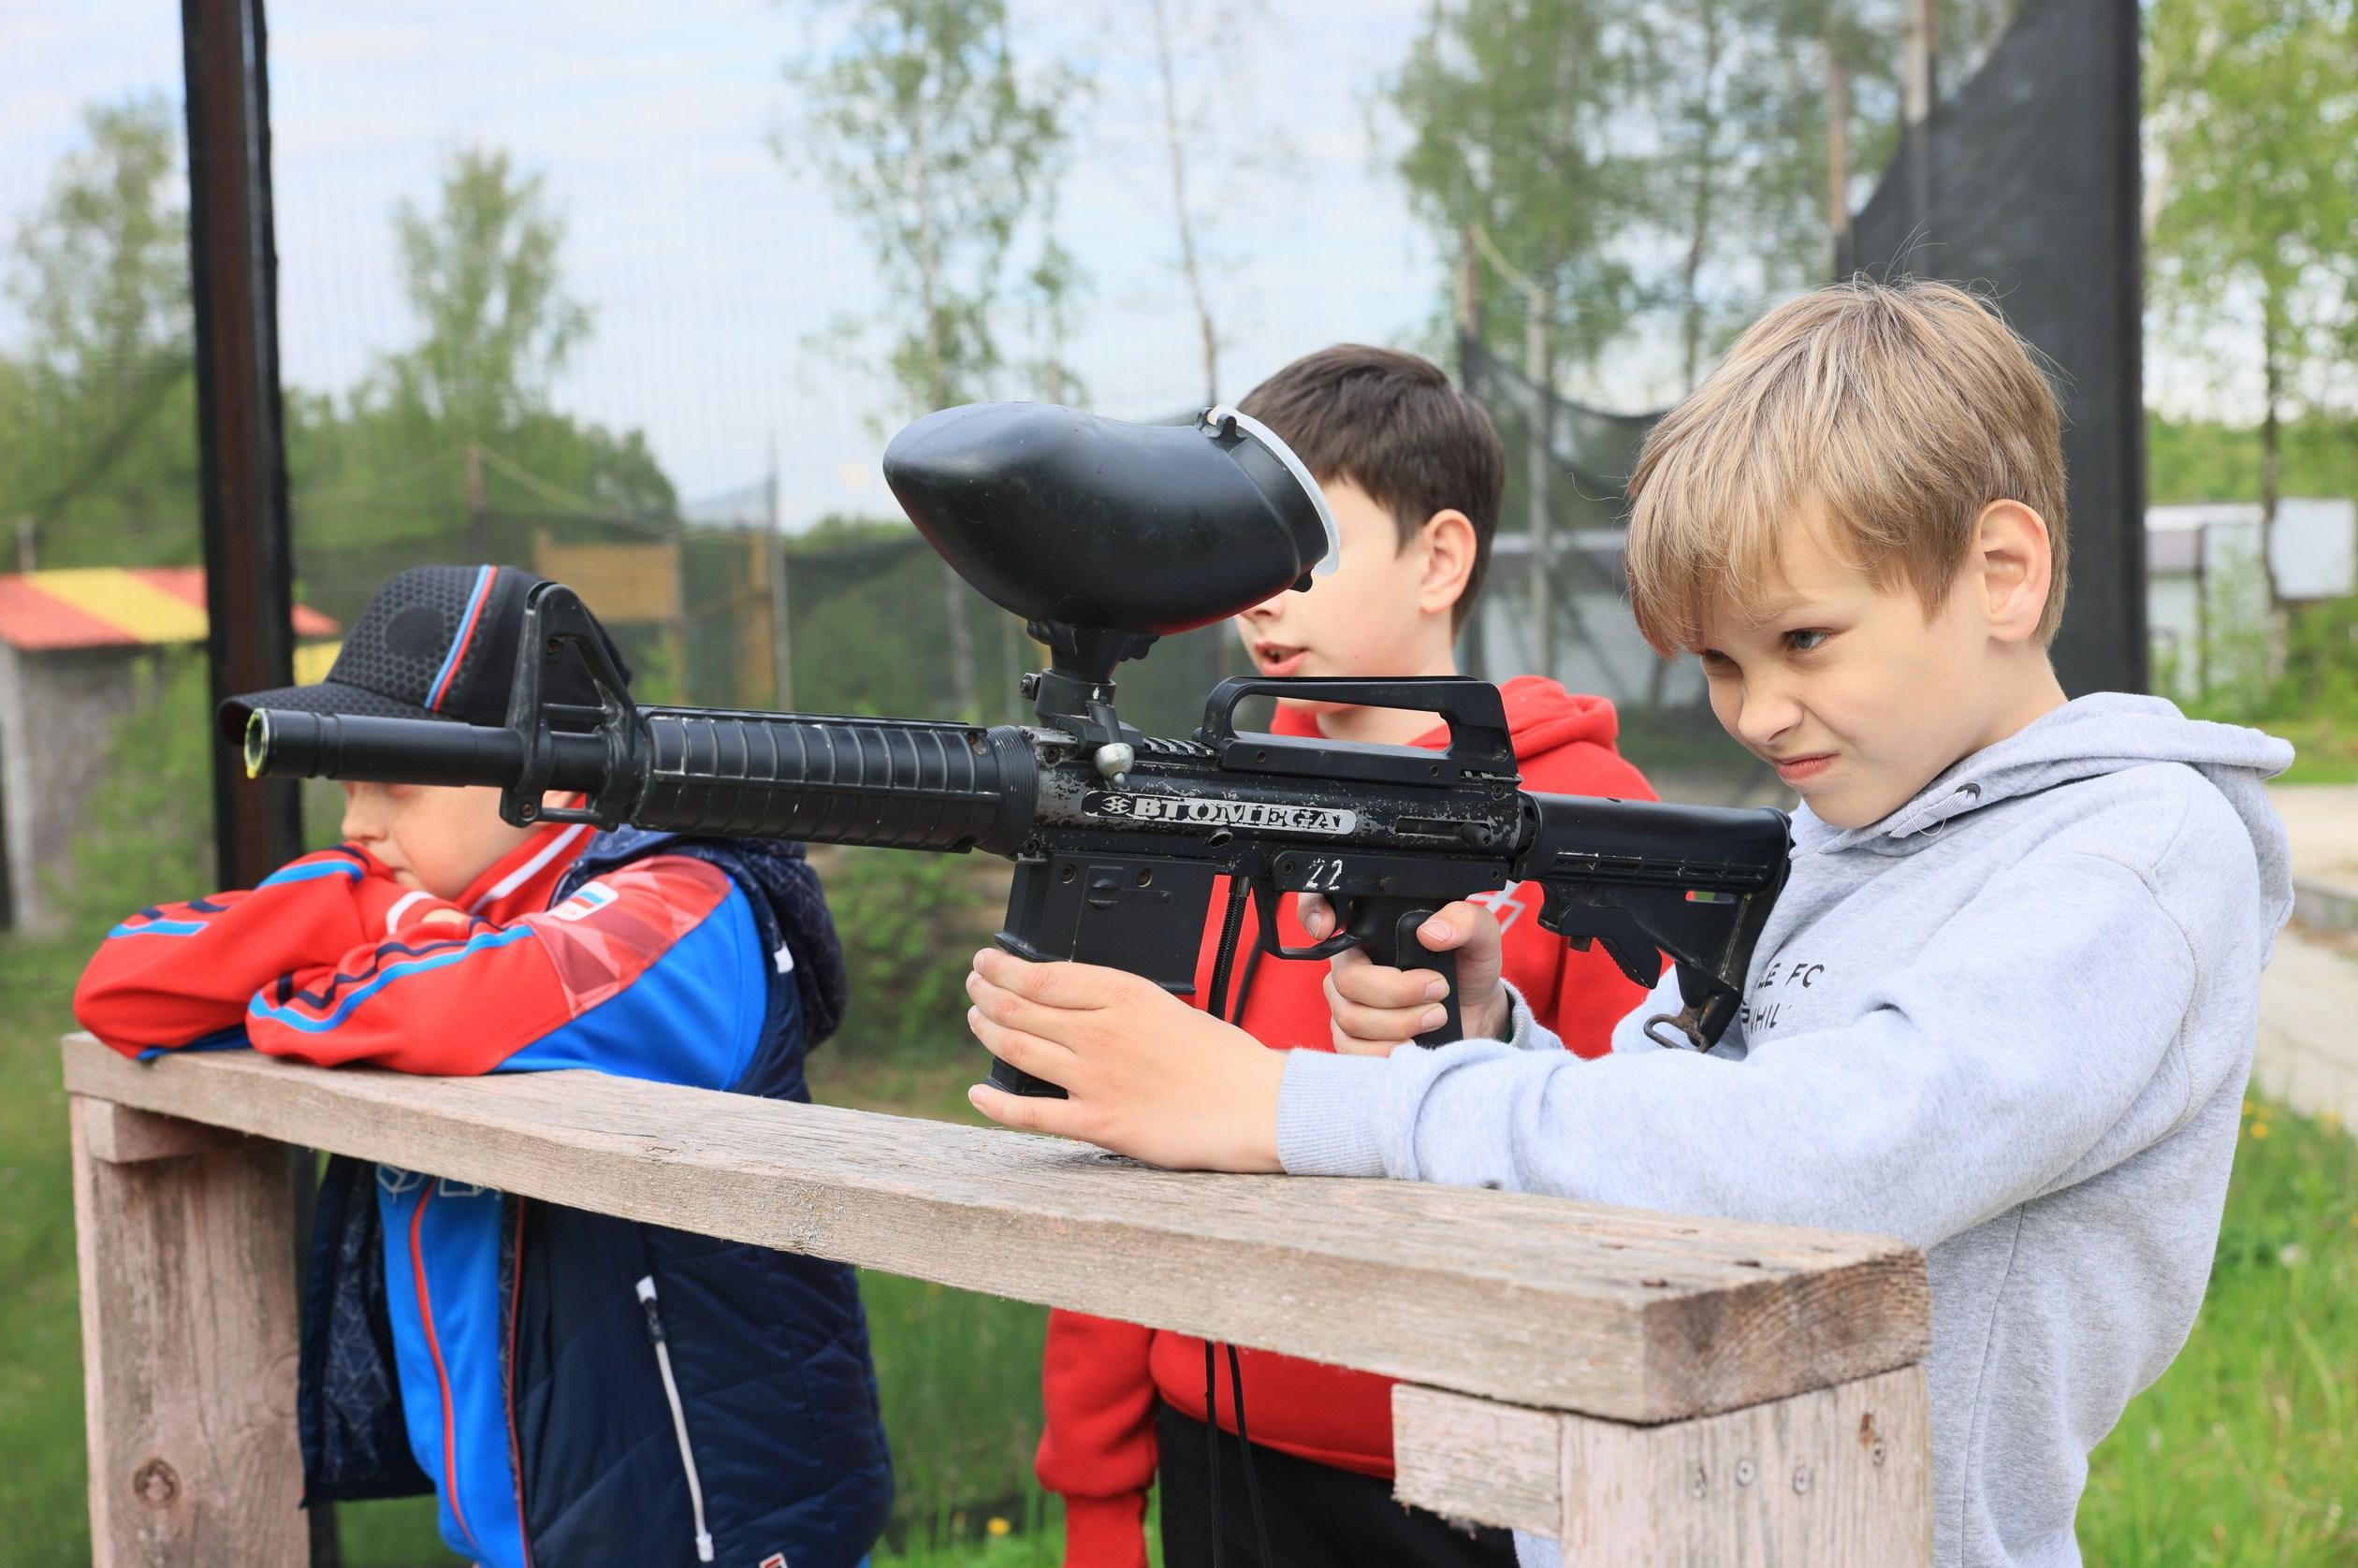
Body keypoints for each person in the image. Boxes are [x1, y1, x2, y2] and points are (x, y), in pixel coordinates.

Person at [962, 279, 2293, 1568]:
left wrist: (1289, 1105)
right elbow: (1660, 1139)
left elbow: (1831, 1161)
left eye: (1805, 641)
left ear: (2001, 572)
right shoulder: (1833, 845)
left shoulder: (2136, 856)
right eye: (1720, 662)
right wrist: (1485, 1029)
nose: (1756, 713)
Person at [76, 564, 893, 1568]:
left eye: (394, 786)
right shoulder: (433, 905)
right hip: (532, 1524)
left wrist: (345, 931)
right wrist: (351, 910)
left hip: (714, 1531)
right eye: (348, 788)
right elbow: (124, 985)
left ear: (549, 776)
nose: (353, 829)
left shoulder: (688, 898)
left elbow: (458, 1002)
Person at [1036, 345, 1661, 1568]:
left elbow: (1654, 1168)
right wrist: (1100, 1500)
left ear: (1440, 558)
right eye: (1244, 547)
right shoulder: (1202, 809)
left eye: (1303, 543)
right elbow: (1120, 1149)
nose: (1263, 593)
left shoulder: (1593, 812)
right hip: (1218, 1449)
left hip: (1485, 1479)